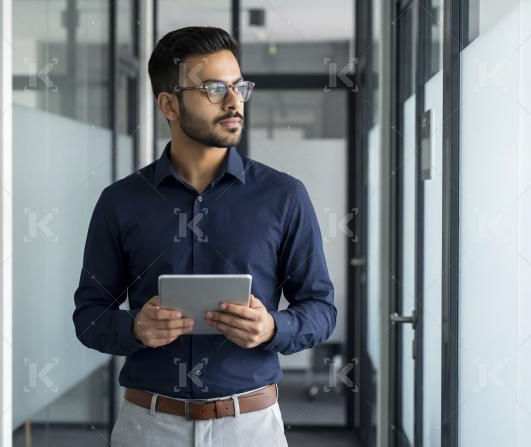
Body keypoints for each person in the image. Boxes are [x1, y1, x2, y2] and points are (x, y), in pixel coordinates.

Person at [72, 26, 336, 447]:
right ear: (169, 104)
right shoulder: (120, 201)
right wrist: (136, 327)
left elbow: (321, 309)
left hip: (250, 427)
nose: (234, 102)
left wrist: (273, 328)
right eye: (214, 88)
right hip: (149, 427)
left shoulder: (284, 196)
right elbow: (89, 316)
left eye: (238, 86)